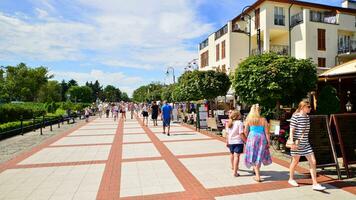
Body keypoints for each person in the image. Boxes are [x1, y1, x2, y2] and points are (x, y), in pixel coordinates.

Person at [288, 100, 326, 191]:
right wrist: (292, 142)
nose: (310, 108)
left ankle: (315, 183)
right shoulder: (295, 116)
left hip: (306, 143)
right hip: (297, 144)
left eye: (310, 107)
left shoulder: (307, 117)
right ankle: (291, 179)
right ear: (302, 107)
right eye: (308, 107)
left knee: (313, 161)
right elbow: (291, 130)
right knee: (295, 162)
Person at [244, 104, 272, 182]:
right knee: (259, 155)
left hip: (252, 138)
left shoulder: (249, 119)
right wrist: (268, 142)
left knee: (253, 154)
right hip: (261, 138)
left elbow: (245, 131)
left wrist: (246, 139)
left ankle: (258, 176)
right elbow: (267, 132)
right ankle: (256, 171)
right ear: (259, 111)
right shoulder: (263, 119)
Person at [226, 110, 245, 177]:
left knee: (232, 154)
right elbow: (241, 133)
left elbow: (227, 134)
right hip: (238, 142)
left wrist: (227, 141)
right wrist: (245, 140)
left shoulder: (229, 122)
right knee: (237, 156)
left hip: (231, 141)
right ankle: (235, 172)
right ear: (238, 116)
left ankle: (233, 167)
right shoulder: (239, 123)